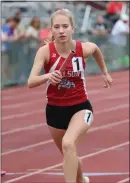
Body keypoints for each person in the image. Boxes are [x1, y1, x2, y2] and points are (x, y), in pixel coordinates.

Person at [27, 9, 113, 183]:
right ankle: (82, 180)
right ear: (51, 30)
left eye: (65, 26)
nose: (61, 31)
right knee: (69, 152)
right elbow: (31, 81)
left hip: (80, 107)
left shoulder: (82, 48)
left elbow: (96, 49)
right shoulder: (45, 52)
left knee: (68, 143)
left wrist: (105, 72)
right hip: (54, 110)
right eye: (57, 27)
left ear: (73, 28)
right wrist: (47, 76)